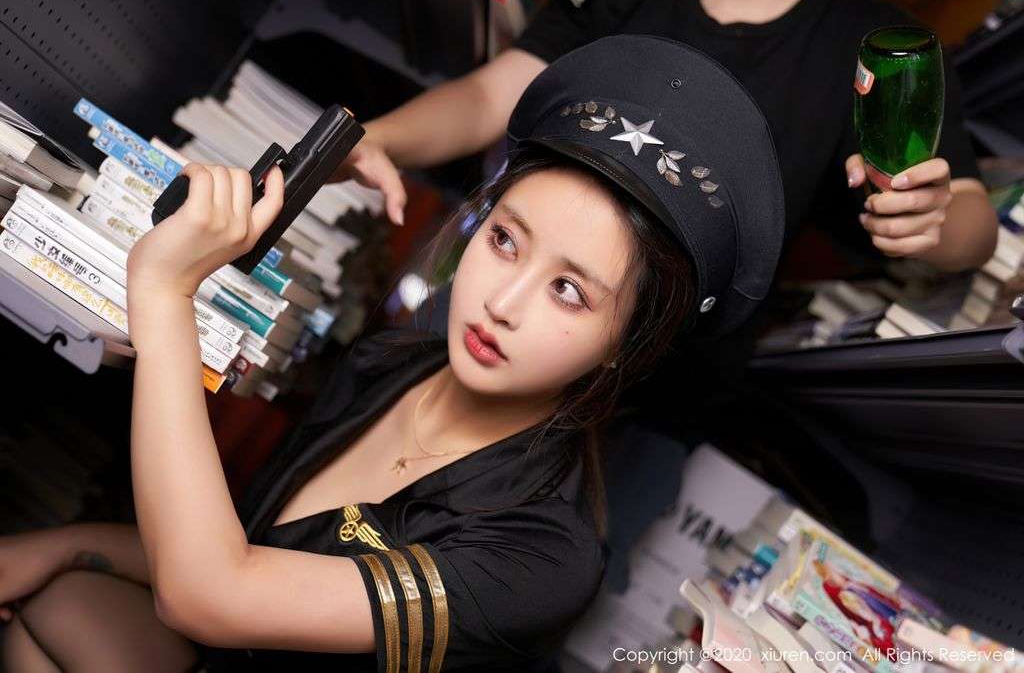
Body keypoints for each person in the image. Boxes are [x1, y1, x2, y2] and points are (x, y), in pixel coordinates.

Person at [0, 36, 785, 672]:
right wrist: (66, 544)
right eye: (505, 241)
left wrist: (166, 291)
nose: (502, 303)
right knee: (54, 603)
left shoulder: (541, 556)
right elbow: (239, 549)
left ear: (625, 345)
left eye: (569, 291)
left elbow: (209, 592)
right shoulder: (394, 364)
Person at [336, 0, 997, 273]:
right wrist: (375, 139)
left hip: (662, 390)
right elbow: (496, 92)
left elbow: (972, 222)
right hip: (513, 287)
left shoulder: (879, 46)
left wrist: (930, 217)